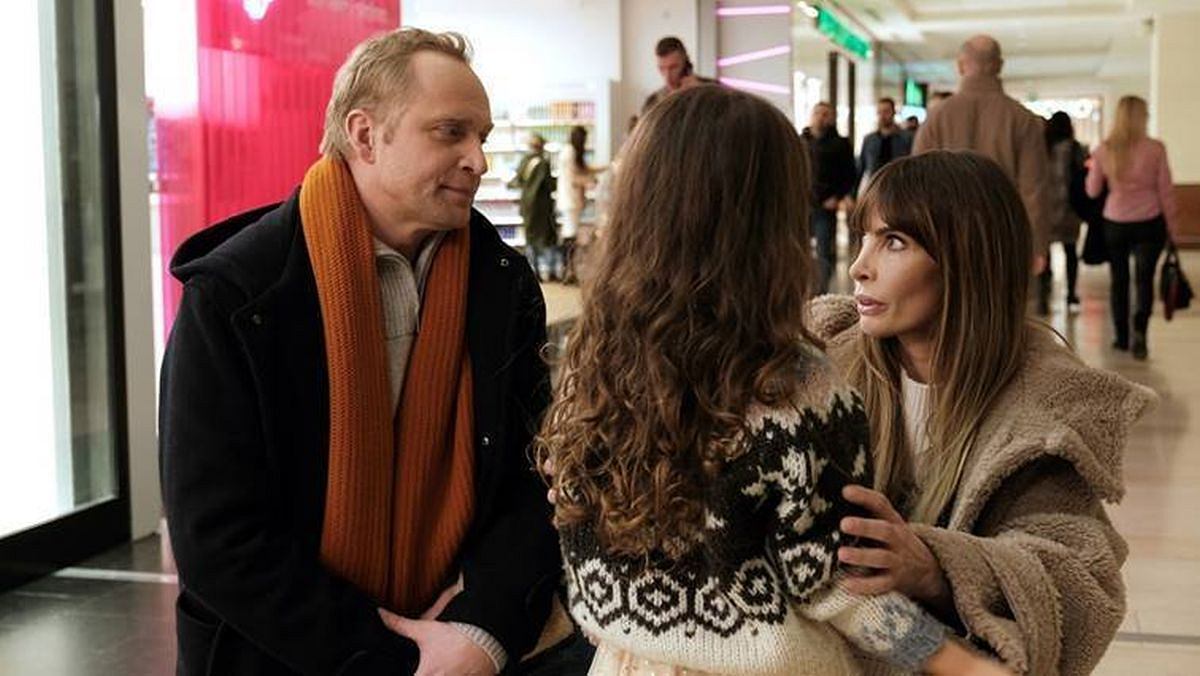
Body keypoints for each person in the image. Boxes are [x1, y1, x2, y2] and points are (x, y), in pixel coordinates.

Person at [538, 86, 1010, 676]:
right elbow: (831, 581)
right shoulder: (797, 391)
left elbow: (575, 528)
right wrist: (960, 664)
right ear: (770, 228)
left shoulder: (595, 371)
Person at [160, 28, 576, 675]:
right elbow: (217, 533)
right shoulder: (239, 293)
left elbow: (531, 478)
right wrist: (391, 661)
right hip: (278, 659)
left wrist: (481, 632)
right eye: (450, 132)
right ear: (364, 135)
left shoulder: (501, 284)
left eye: (482, 137)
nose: (478, 160)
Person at [809, 150, 1155, 675]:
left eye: (893, 242)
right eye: (863, 237)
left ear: (966, 259)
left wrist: (935, 568)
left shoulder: (1047, 408)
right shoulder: (819, 366)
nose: (859, 266)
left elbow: (1079, 585)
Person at [914, 35, 1051, 270]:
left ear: (960, 65)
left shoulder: (937, 117)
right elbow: (1033, 188)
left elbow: (916, 184)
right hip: (1004, 236)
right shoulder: (1023, 119)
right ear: (999, 66)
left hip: (946, 236)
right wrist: (1037, 245)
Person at [1086, 95, 1180, 359]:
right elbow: (1166, 191)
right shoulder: (1156, 149)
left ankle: (1121, 337)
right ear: (1142, 117)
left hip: (1115, 222)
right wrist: (1173, 228)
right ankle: (1140, 333)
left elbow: (1092, 191)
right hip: (1150, 221)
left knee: (1119, 280)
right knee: (1144, 279)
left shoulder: (1104, 149)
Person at [803, 101, 857, 294]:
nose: (821, 117)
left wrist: (838, 196)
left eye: (826, 114)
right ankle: (802, 290)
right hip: (802, 205)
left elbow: (850, 174)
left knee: (824, 251)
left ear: (832, 118)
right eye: (818, 113)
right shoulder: (801, 141)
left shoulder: (840, 144)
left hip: (826, 206)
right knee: (798, 250)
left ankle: (820, 292)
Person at [1039, 111, 1089, 315]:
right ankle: (1071, 294)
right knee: (1070, 253)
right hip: (1069, 208)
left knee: (1045, 252)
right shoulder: (1075, 148)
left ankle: (1043, 295)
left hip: (1045, 207)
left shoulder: (1042, 147)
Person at [510, 133, 560, 281]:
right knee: (548, 238)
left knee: (530, 238)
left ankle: (534, 270)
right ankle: (551, 271)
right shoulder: (543, 163)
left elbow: (517, 181)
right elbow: (550, 185)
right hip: (542, 206)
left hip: (527, 205)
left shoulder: (525, 160)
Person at [556, 125, 602, 284]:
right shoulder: (570, 152)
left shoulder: (569, 151)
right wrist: (591, 181)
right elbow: (574, 178)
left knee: (570, 234)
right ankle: (568, 271)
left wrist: (605, 167)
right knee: (570, 235)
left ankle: (569, 270)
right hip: (570, 200)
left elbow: (583, 169)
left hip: (570, 200)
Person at [856, 97, 913, 196]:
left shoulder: (907, 138)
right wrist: (852, 195)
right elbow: (861, 167)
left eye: (886, 112)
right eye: (879, 112)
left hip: (900, 189)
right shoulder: (869, 140)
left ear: (894, 112)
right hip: (875, 189)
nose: (882, 116)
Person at [641, 36, 712, 113]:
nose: (667, 77)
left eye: (674, 67)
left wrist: (699, 95)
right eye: (662, 68)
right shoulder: (653, 101)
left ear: (685, 64)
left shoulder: (712, 90)